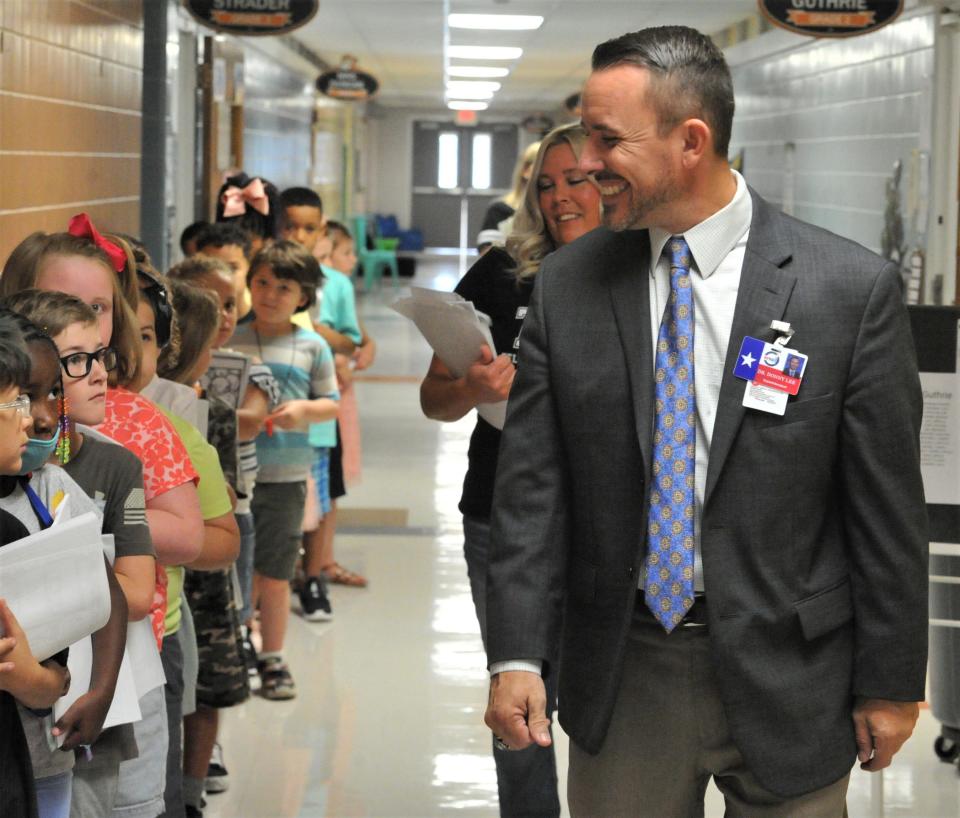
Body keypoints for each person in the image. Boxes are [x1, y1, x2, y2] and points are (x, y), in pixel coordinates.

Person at [483, 26, 928, 818]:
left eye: (607, 138)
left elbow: (885, 508)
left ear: (692, 141)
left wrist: (892, 681)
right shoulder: (569, 287)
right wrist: (517, 652)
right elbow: (531, 493)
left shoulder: (847, 291)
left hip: (795, 668)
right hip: (627, 664)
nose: (584, 163)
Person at [421, 123, 601, 818]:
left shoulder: (651, 269)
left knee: (607, 697)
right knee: (520, 701)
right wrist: (475, 389)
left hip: (614, 524)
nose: (559, 198)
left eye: (577, 179)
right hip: (499, 515)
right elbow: (436, 399)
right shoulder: (501, 273)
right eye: (546, 185)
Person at [0, 289, 157, 818]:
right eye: (24, 400)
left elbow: (105, 587)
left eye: (50, 397)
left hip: (42, 752)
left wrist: (100, 687)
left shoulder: (50, 489)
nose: (42, 419)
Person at [230, 241, 339, 699]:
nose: (271, 294)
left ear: (304, 296)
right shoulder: (231, 337)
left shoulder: (312, 346)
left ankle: (272, 657)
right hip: (234, 477)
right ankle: (239, 649)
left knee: (275, 571)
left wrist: (304, 413)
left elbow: (331, 405)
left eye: (284, 287)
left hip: (286, 477)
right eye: (262, 283)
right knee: (235, 572)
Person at [477, 140, 541, 253]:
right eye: (540, 165)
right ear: (525, 170)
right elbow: (487, 254)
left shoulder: (554, 210)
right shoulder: (499, 210)